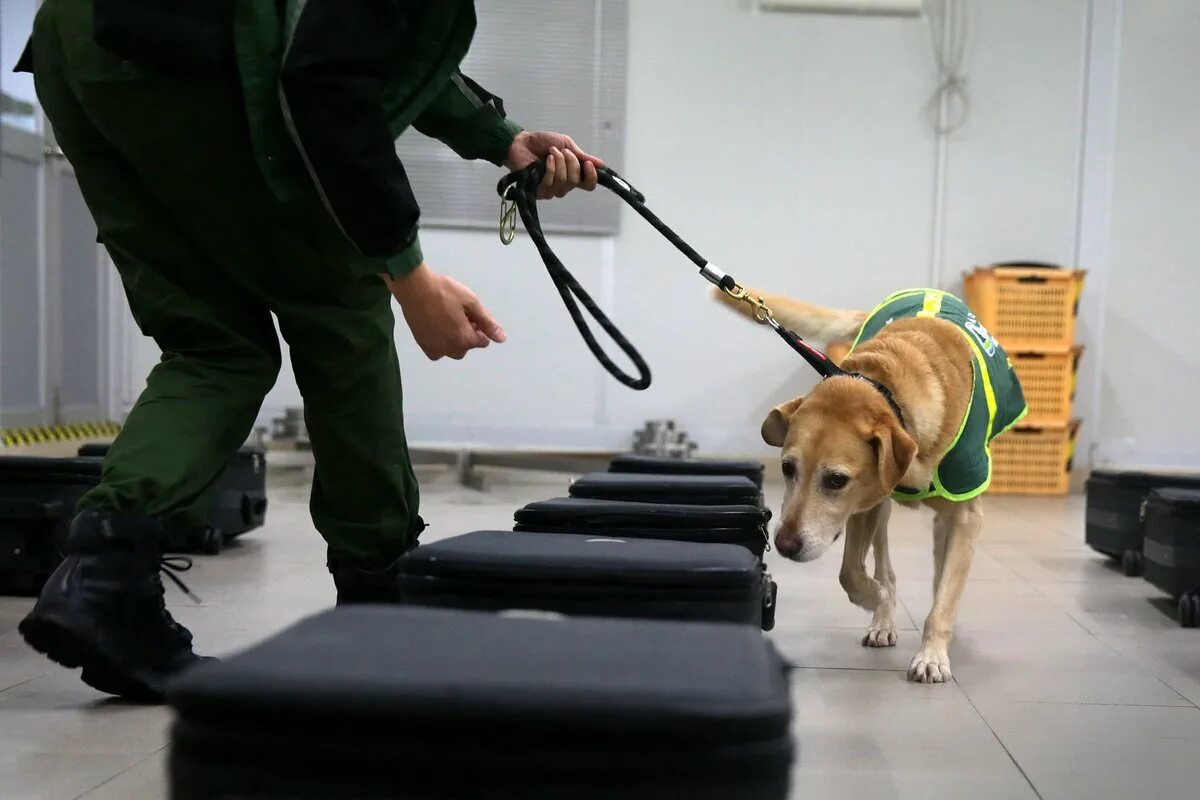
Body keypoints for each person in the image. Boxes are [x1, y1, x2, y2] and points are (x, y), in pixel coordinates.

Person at [14, 0, 603, 702]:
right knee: (343, 319)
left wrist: (499, 136)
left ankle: (104, 578)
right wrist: (407, 275)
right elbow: (322, 81)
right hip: (207, 50)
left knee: (214, 347)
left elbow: (347, 36)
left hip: (77, 39)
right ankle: (378, 598)